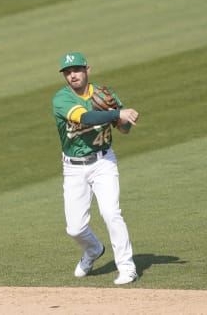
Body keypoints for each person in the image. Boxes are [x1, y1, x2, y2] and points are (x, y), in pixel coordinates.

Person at [52, 52, 139, 285]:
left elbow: (124, 130)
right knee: (75, 229)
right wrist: (116, 112)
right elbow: (86, 118)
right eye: (68, 72)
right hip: (73, 168)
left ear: (87, 70)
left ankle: (127, 267)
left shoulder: (104, 94)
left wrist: (122, 120)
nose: (73, 76)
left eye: (77, 70)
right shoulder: (62, 99)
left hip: (103, 163)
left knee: (111, 213)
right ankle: (93, 250)